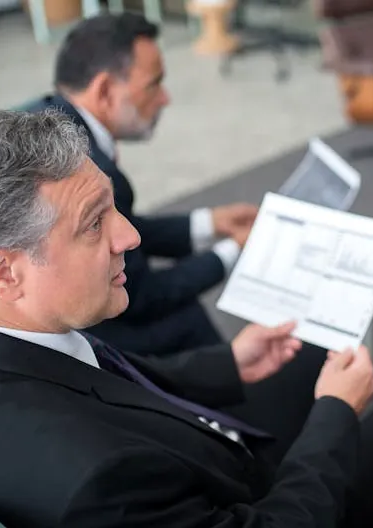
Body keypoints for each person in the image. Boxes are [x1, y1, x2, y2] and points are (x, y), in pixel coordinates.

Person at [0, 109, 373, 527]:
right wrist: (336, 414)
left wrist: (230, 363)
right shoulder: (98, 480)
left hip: (192, 448)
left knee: (315, 347)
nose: (130, 236)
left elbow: (100, 378)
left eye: (113, 207)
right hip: (249, 501)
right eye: (94, 224)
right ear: (1, 272)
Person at [30, 13, 256, 355]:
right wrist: (232, 251)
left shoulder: (45, 117)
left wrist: (208, 224)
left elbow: (127, 226)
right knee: (184, 318)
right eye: (154, 84)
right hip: (79, 338)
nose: (165, 98)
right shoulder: (94, 170)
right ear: (105, 90)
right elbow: (141, 297)